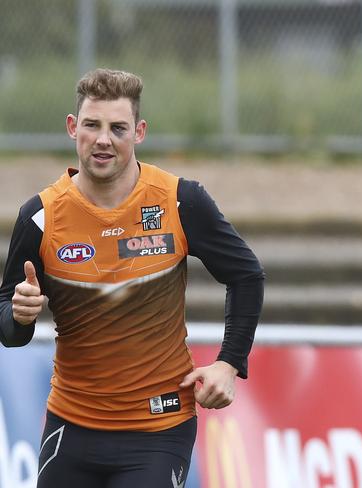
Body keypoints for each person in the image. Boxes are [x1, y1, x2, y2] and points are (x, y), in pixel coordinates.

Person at [0, 68, 264, 487]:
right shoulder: (40, 216)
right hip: (72, 425)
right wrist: (20, 315)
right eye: (92, 125)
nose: (104, 139)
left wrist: (230, 362)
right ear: (73, 128)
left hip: (159, 428)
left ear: (139, 132)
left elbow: (247, 275)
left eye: (117, 128)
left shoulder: (180, 200)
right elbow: (10, 332)